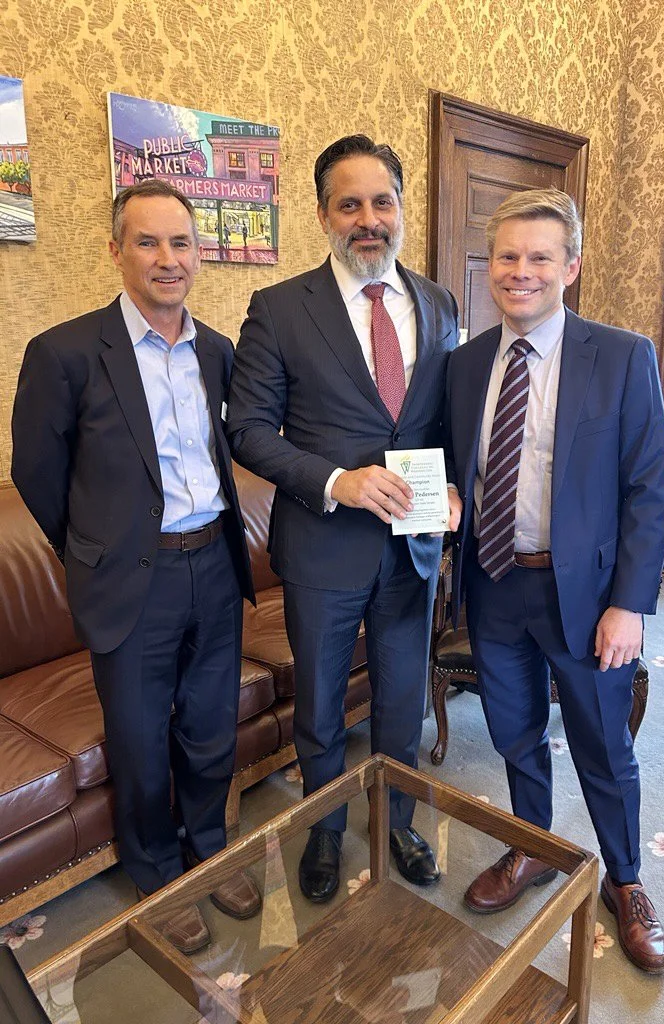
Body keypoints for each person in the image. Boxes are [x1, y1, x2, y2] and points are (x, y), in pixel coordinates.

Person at [11, 179, 261, 955]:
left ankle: (208, 849)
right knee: (142, 738)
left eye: (180, 242)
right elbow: (39, 475)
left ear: (199, 254)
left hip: (214, 564)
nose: (166, 258)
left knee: (211, 725)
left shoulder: (219, 352)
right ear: (114, 250)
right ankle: (158, 877)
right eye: (147, 242)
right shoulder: (64, 353)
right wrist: (96, 550)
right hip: (131, 580)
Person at [228, 134, 461, 901]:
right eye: (349, 203)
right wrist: (337, 481)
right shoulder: (278, 308)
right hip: (324, 548)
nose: (369, 219)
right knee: (323, 709)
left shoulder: (438, 303)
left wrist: (455, 489)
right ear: (324, 213)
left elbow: (445, 422)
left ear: (401, 206)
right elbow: (249, 428)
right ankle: (324, 831)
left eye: (382, 200)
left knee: (399, 702)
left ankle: (398, 821)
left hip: (411, 551)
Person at [446, 188, 664, 973]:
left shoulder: (622, 355)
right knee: (514, 733)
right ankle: (534, 847)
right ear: (490, 268)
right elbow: (457, 470)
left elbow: (646, 488)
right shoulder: (466, 362)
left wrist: (630, 605)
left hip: (589, 598)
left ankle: (629, 879)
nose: (521, 272)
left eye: (540, 257)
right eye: (507, 256)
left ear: (569, 267)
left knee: (604, 745)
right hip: (496, 585)